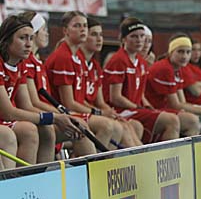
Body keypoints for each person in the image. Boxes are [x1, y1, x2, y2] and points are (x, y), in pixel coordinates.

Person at [0, 13, 81, 165]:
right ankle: (19, 179)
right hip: (4, 121)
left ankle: (43, 177)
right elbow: (8, 112)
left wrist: (56, 117)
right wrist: (54, 117)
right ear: (7, 39)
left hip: (5, 121)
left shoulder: (20, 65)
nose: (28, 44)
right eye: (22, 38)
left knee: (47, 129)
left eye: (31, 38)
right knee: (24, 132)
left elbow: (26, 105)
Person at [45, 11, 123, 150]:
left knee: (117, 127)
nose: (82, 30)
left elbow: (81, 100)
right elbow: (68, 103)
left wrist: (103, 112)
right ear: (65, 30)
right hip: (61, 113)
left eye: (85, 26)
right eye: (77, 26)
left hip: (73, 111)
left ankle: (108, 161)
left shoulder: (77, 58)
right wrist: (98, 113)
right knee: (106, 125)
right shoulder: (63, 57)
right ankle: (94, 162)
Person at [23, 12, 97, 158]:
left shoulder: (37, 61)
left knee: (89, 127)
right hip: (35, 117)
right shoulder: (28, 62)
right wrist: (59, 115)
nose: (47, 34)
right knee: (90, 127)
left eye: (85, 26)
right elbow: (33, 102)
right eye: (43, 30)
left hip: (45, 113)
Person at [103, 17, 181, 144]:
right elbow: (115, 98)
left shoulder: (141, 62)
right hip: (120, 110)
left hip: (134, 109)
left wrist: (147, 106)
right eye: (134, 36)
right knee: (171, 120)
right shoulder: (118, 60)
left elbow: (140, 93)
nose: (139, 40)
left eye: (141, 36)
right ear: (123, 39)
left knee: (181, 119)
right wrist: (138, 107)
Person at [81, 18, 143, 148]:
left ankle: (141, 155)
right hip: (78, 113)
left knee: (130, 125)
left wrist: (110, 112)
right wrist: (101, 113)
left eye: (101, 35)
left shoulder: (95, 66)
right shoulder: (72, 62)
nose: (99, 39)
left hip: (93, 111)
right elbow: (73, 102)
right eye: (94, 34)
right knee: (113, 126)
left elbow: (100, 102)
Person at [145, 34, 201, 133]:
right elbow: (175, 105)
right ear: (171, 52)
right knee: (192, 121)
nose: (184, 56)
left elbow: (182, 103)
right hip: (152, 110)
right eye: (180, 52)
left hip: (164, 109)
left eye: (188, 52)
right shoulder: (165, 68)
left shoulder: (178, 69)